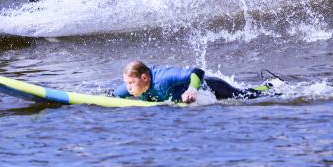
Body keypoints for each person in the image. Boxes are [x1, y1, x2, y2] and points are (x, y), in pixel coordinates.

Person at [113, 60, 274, 104]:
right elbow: (112, 95)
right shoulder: (132, 88)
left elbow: (197, 72)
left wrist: (192, 90)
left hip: (210, 88)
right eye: (126, 83)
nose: (128, 88)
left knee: (245, 96)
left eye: (131, 83)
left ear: (145, 78)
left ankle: (270, 86)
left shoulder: (164, 78)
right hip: (199, 95)